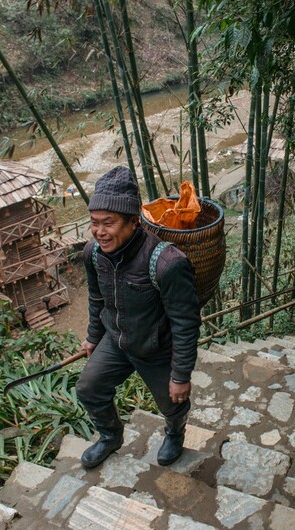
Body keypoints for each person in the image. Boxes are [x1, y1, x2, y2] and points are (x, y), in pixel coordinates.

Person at [75, 166, 201, 469]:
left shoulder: (167, 263)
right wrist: (94, 336)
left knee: (173, 403)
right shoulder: (93, 254)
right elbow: (96, 298)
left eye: (109, 223)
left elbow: (186, 323)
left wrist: (180, 375)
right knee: (88, 388)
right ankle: (110, 436)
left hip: (156, 347)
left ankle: (174, 432)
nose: (100, 231)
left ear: (134, 222)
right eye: (94, 223)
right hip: (117, 341)